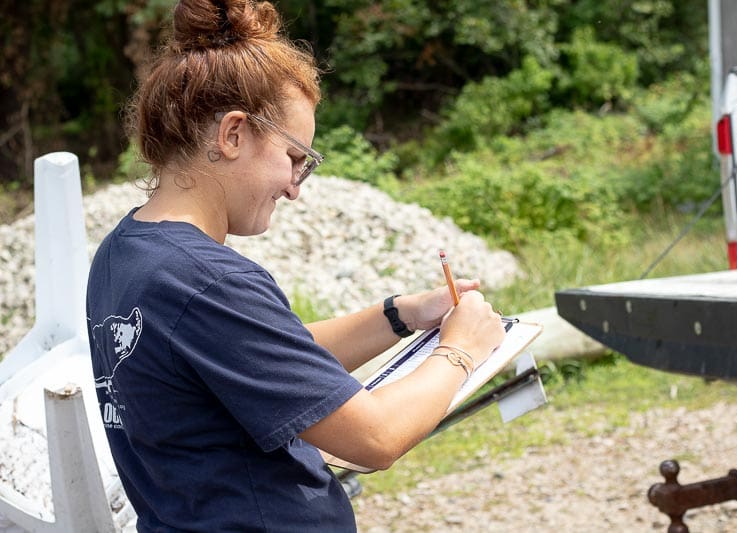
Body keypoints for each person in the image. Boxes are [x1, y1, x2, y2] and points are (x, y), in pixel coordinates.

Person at [85, 0, 506, 530]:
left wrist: (400, 314)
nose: (294, 187)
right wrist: (461, 349)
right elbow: (375, 438)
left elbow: (260, 357)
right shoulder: (208, 280)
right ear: (233, 134)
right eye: (294, 159)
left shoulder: (123, 252)